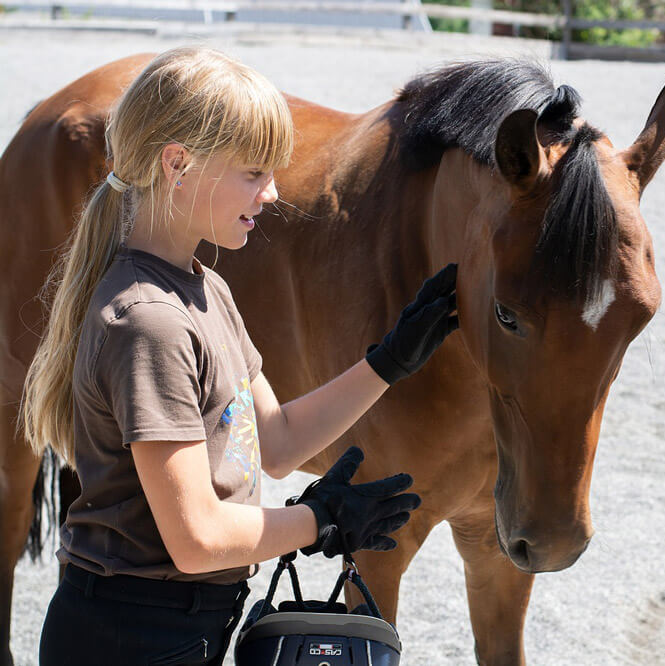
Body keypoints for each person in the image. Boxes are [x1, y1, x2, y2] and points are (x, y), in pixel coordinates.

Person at [17, 45, 458, 666]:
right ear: (178, 164)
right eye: (254, 172)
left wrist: (389, 362)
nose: (273, 192)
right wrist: (319, 519)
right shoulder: (149, 323)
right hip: (130, 636)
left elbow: (273, 443)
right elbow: (196, 539)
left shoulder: (206, 288)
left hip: (179, 627)